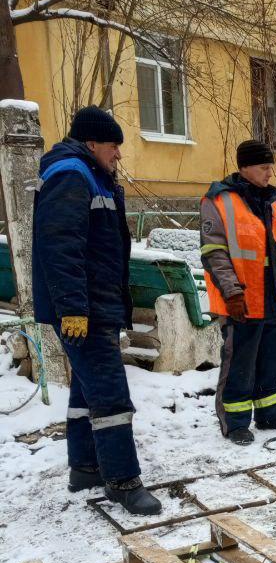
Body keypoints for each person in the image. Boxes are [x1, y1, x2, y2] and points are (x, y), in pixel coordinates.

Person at [32, 106, 162, 516]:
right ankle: (123, 481)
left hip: (95, 306)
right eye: (113, 146)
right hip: (82, 308)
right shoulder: (72, 175)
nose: (118, 155)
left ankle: (85, 467)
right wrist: (73, 308)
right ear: (92, 144)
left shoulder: (91, 176)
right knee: (109, 392)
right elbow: (60, 247)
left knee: (86, 391)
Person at [200, 140, 276, 443]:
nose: (269, 173)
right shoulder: (218, 201)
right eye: (264, 167)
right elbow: (214, 253)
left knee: (271, 359)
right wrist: (232, 292)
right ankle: (235, 422)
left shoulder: (273, 202)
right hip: (243, 299)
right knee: (240, 362)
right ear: (245, 167)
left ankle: (269, 413)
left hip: (274, 296)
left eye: (270, 166)